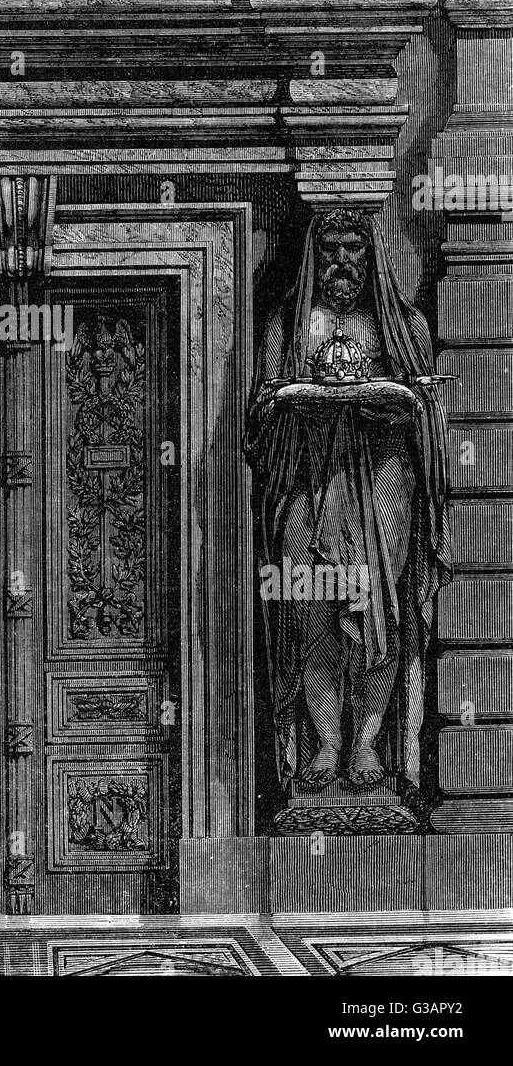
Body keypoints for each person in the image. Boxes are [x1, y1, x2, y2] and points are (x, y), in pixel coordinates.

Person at [246, 208, 451, 795]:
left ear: (372, 254)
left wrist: (386, 401)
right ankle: (326, 742)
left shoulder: (401, 326)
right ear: (315, 253)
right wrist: (296, 402)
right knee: (312, 612)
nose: (341, 262)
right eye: (331, 248)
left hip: (383, 474)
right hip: (309, 478)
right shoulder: (288, 324)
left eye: (353, 249)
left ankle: (365, 741)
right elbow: (262, 413)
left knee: (378, 610)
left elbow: (425, 411)